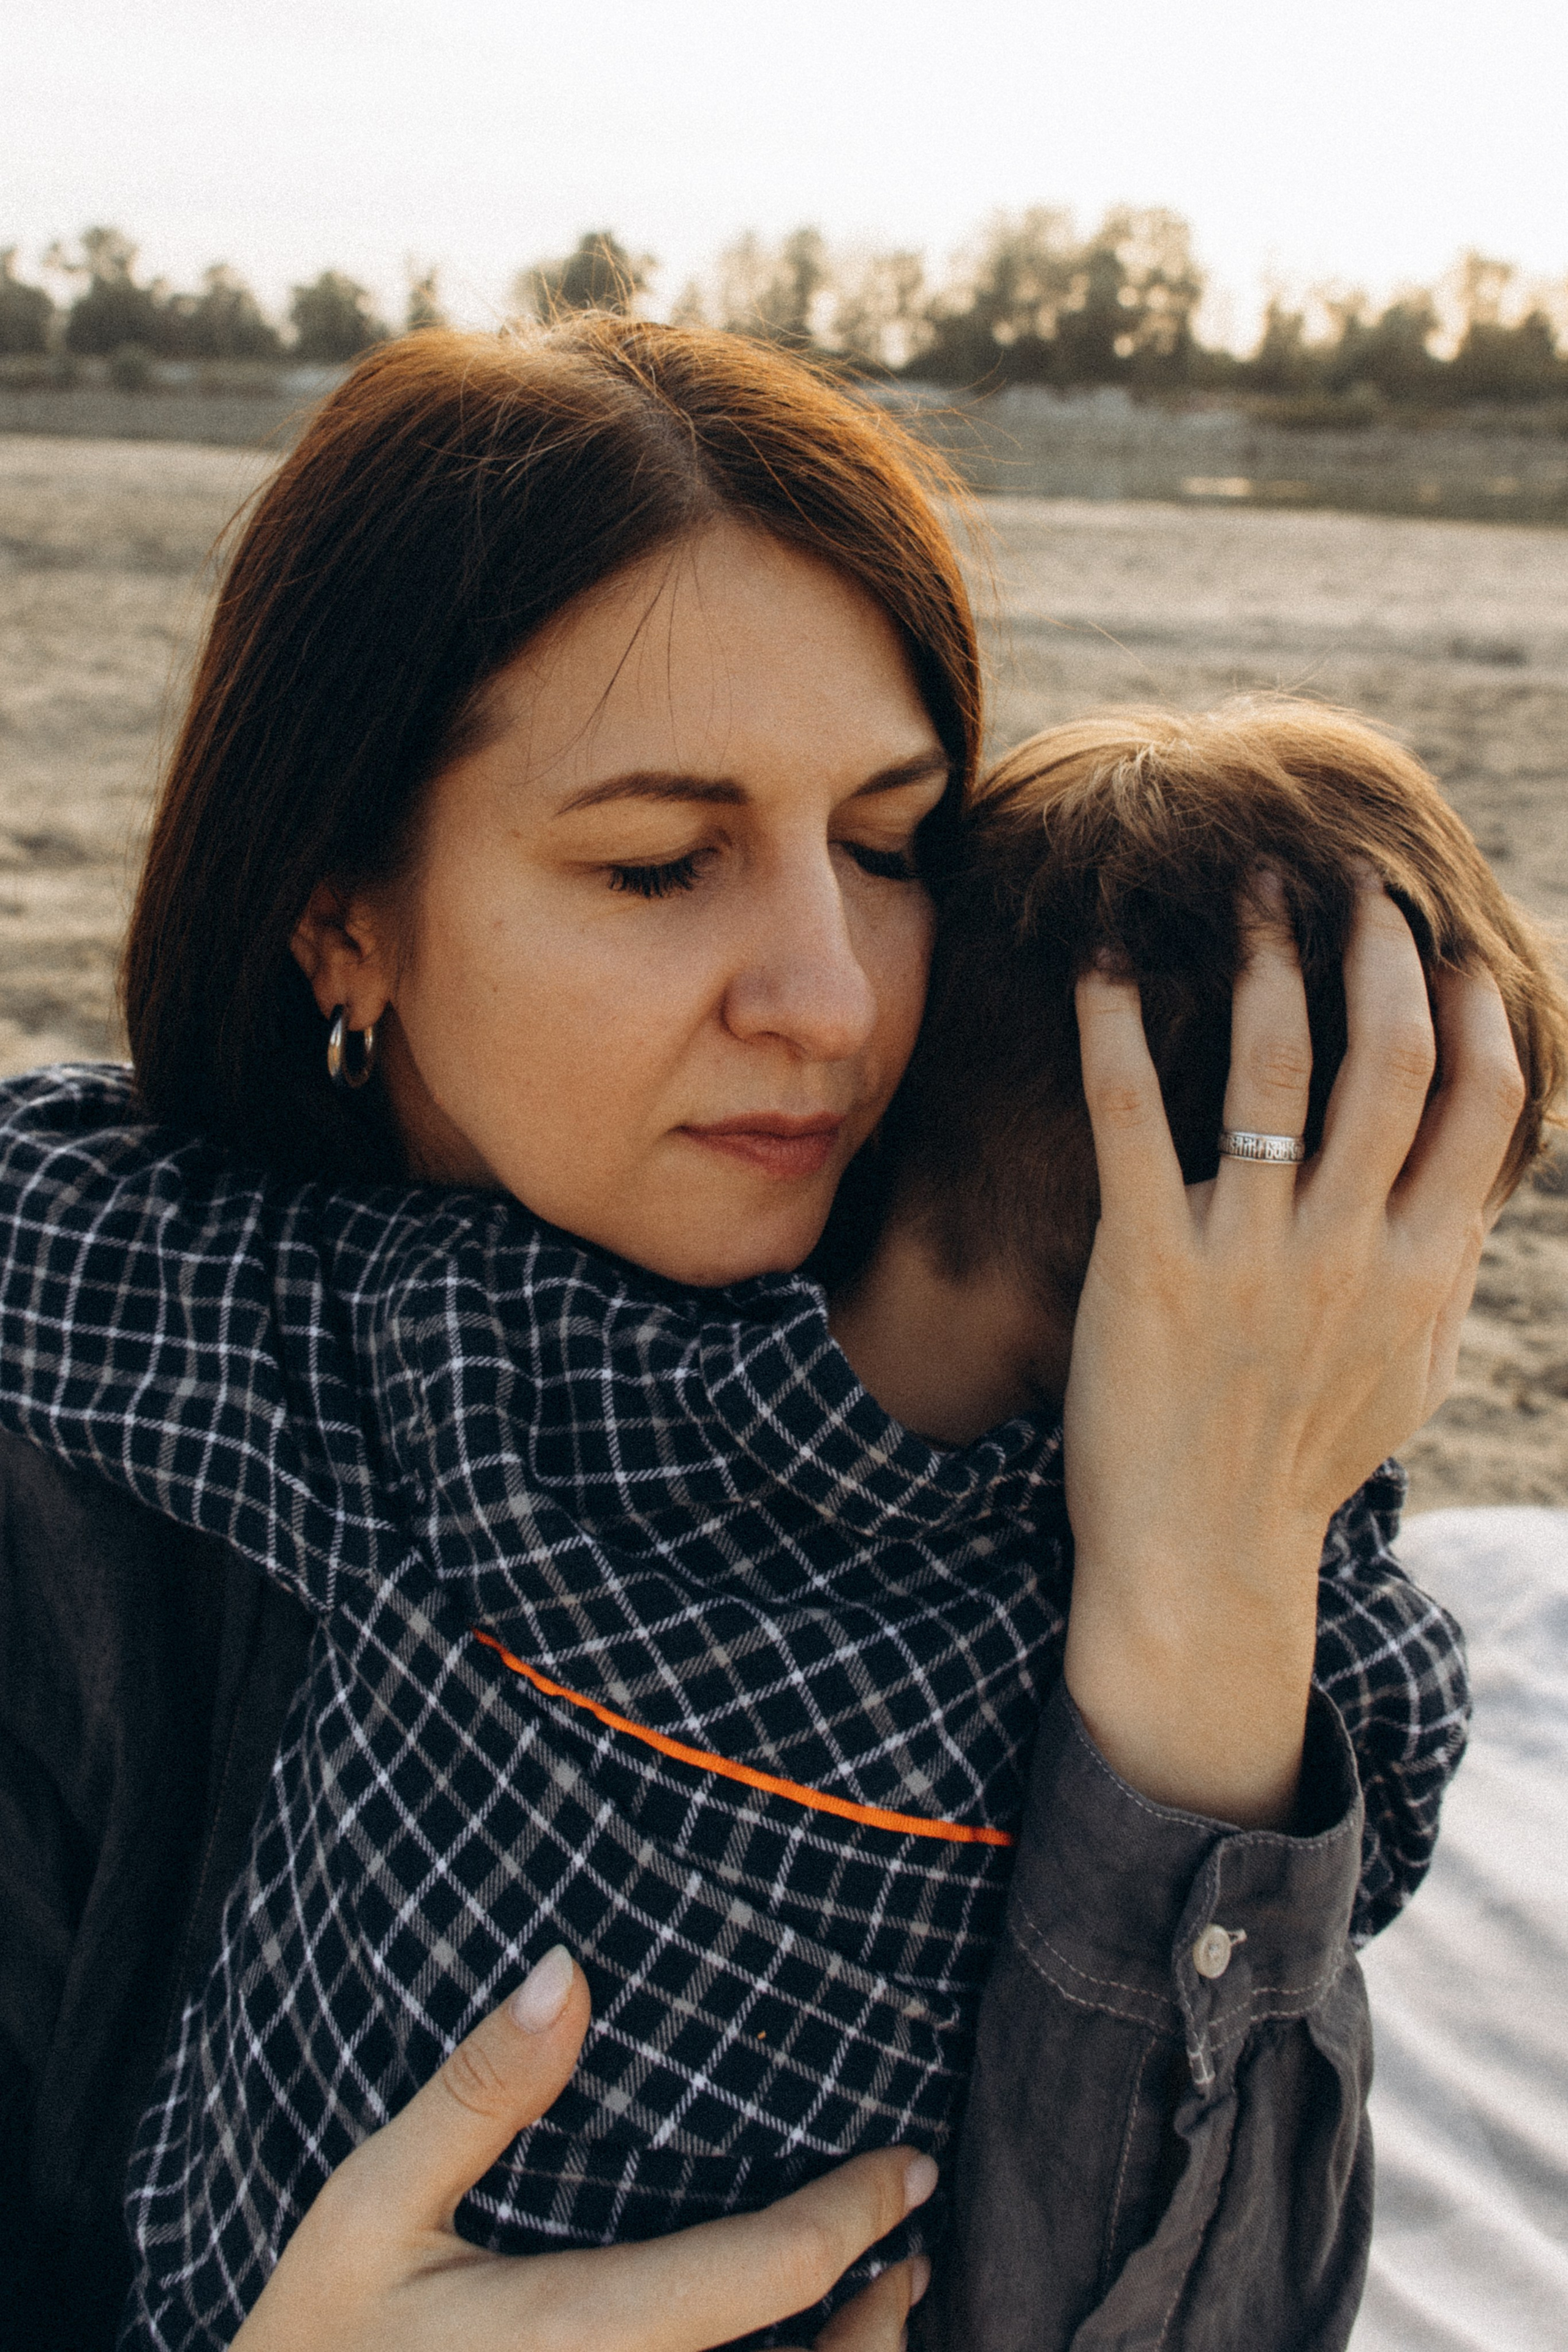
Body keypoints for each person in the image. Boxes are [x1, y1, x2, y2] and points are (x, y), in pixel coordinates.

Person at [0, 320, 1542, 2351]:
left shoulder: (1157, 1425)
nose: (829, 999)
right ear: (341, 915)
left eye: (893, 846)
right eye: (659, 864)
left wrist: (1208, 1599)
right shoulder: (145, 1416)